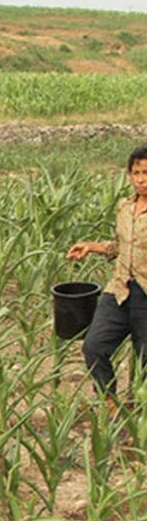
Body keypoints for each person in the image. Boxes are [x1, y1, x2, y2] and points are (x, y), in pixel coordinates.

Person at [66, 145, 147, 411]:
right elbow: (120, 245)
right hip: (120, 289)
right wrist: (91, 246)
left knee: (145, 359)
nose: (141, 179)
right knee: (94, 346)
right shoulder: (125, 207)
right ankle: (111, 404)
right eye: (136, 172)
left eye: (146, 172)